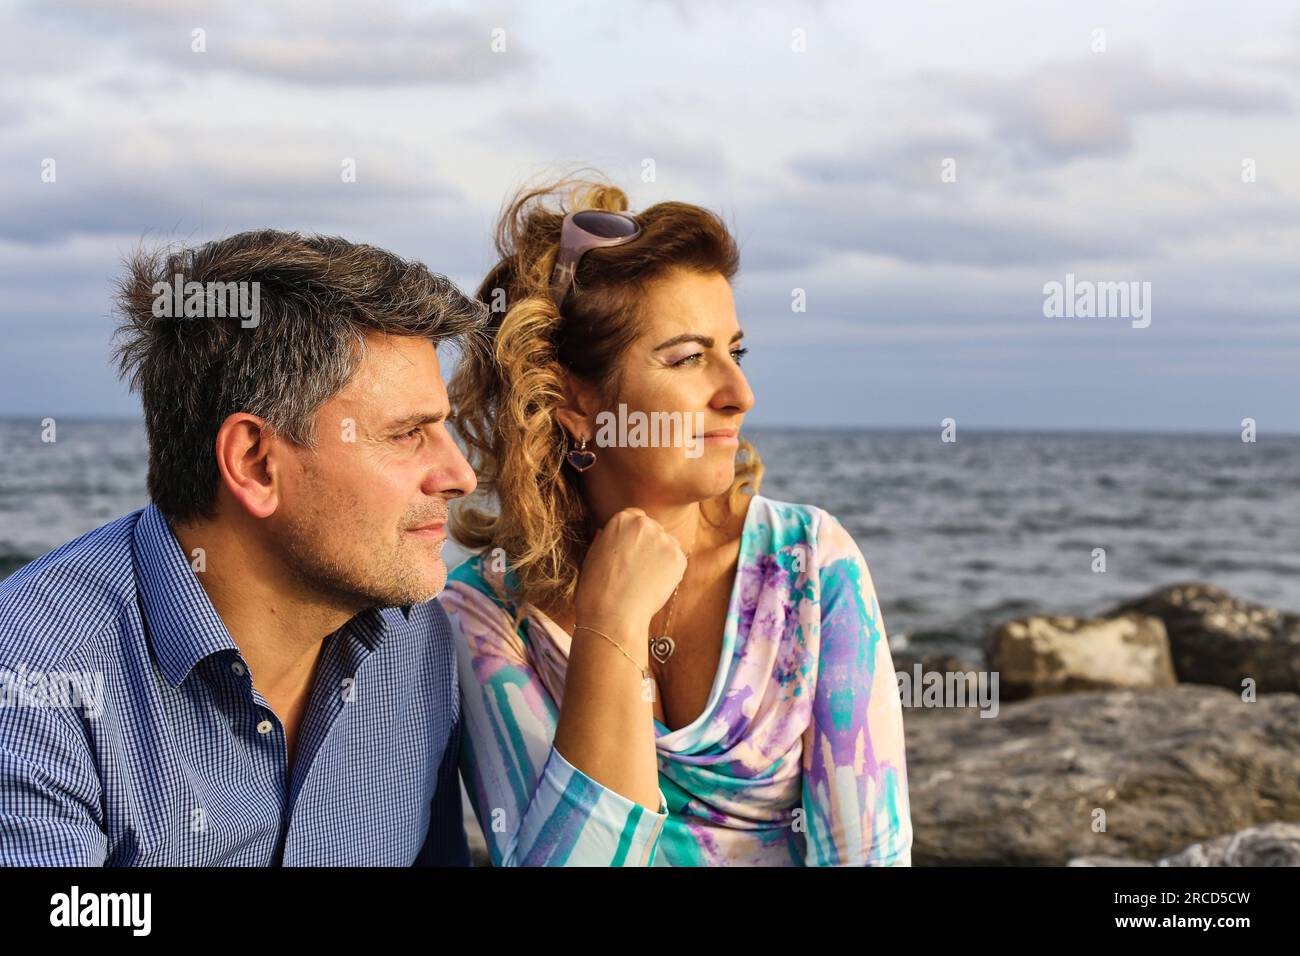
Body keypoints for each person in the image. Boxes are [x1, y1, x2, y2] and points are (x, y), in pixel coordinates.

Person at [438, 176, 914, 865]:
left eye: (735, 351)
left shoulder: (808, 565)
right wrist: (614, 626)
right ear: (570, 397)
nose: (739, 393)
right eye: (690, 358)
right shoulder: (486, 619)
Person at [0, 230, 487, 865]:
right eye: (407, 434)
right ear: (256, 462)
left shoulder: (414, 639)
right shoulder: (34, 681)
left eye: (443, 427)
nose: (461, 475)